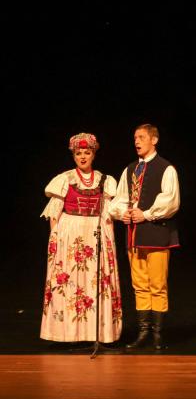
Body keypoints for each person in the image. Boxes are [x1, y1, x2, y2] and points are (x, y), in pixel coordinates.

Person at [40, 133, 122, 343]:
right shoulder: (65, 179)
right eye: (78, 153)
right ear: (73, 156)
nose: (83, 157)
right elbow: (54, 213)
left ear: (94, 154)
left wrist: (108, 240)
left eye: (87, 152)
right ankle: (67, 333)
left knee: (93, 282)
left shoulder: (105, 180)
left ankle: (95, 333)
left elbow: (108, 213)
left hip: (94, 233)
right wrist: (55, 239)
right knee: (70, 284)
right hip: (70, 236)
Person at [109, 124, 180, 350]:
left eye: (141, 137)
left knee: (157, 284)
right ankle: (143, 333)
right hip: (134, 236)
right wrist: (125, 213)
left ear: (154, 140)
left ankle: (158, 334)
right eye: (135, 138)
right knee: (139, 285)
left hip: (157, 234)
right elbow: (119, 199)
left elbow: (170, 201)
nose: (136, 142)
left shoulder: (166, 168)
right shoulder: (130, 169)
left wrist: (146, 214)